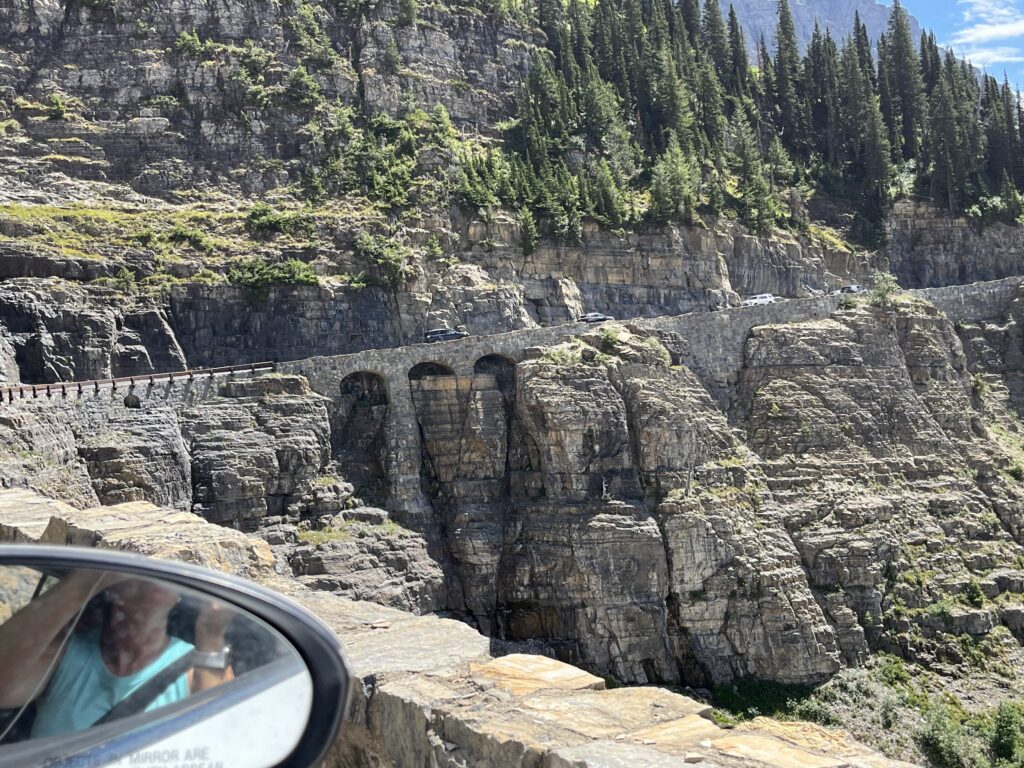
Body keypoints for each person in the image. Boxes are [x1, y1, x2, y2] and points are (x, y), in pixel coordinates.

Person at [0, 569, 234, 739]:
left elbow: (223, 740)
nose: (148, 579)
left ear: (180, 593)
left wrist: (210, 632)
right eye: (133, 568)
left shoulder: (196, 666)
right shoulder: (65, 653)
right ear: (108, 586)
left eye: (166, 569)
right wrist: (84, 581)